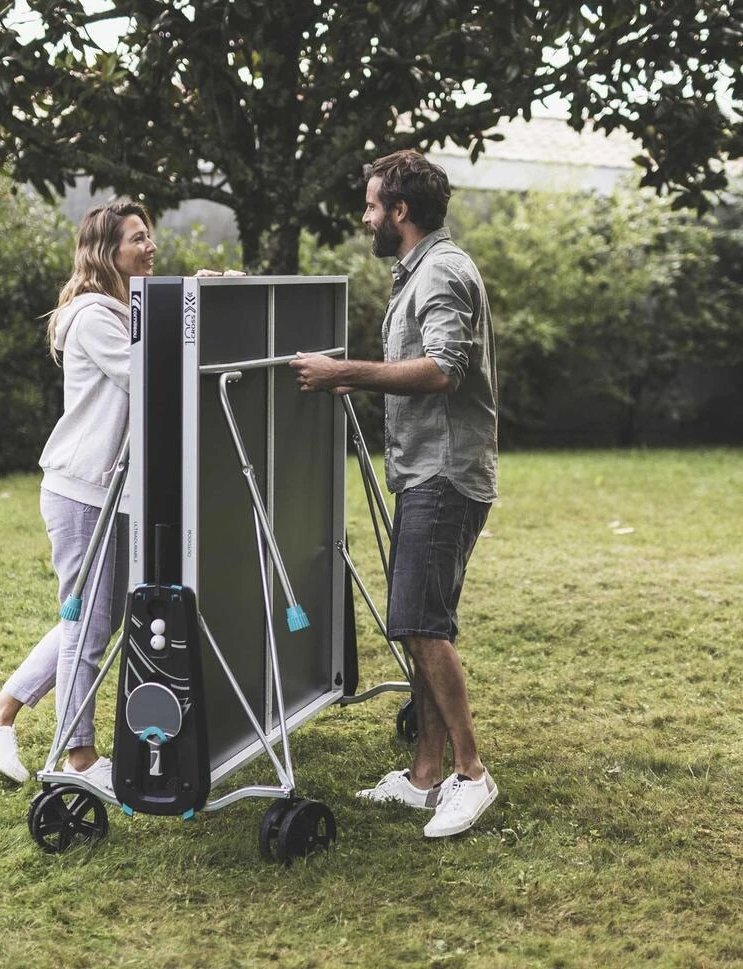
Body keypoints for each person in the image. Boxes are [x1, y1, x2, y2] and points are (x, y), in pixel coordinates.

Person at [289, 149, 498, 838]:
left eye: (373, 205)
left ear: (399, 211)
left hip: (444, 473)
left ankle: (470, 773)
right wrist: (354, 377)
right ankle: (424, 775)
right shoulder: (421, 269)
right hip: (424, 470)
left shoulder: (440, 271)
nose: (365, 216)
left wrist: (345, 371)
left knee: (419, 622)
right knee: (422, 621)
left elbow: (443, 369)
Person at [0, 200, 157, 789]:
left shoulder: (123, 310)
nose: (149, 246)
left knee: (96, 619)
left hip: (108, 493)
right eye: (137, 238)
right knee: (87, 626)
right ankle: (80, 760)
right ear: (107, 252)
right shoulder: (95, 316)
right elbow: (148, 378)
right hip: (83, 492)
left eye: (149, 235)